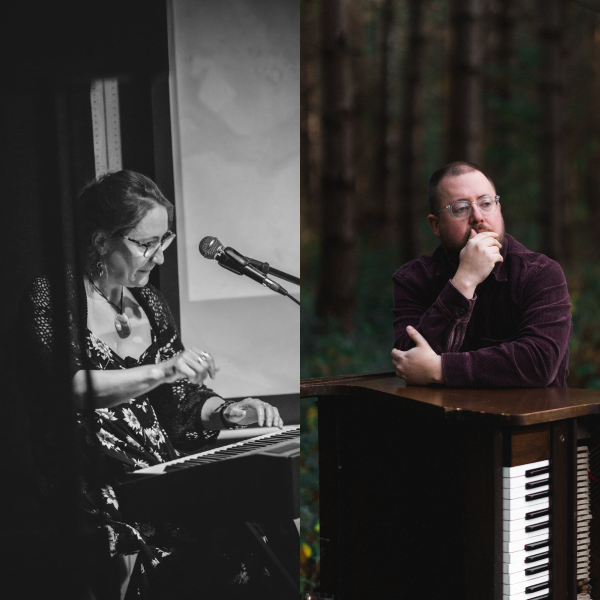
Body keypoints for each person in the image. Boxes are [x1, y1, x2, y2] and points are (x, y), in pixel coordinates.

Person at [19, 170, 284, 598]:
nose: (159, 258)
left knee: (251, 524)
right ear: (101, 241)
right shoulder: (52, 296)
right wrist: (163, 370)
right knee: (137, 544)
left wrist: (224, 411)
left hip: (155, 480)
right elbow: (71, 388)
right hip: (91, 486)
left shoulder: (150, 304)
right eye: (146, 244)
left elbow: (176, 403)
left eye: (165, 241)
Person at [391, 161, 572, 388]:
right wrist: (464, 281)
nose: (478, 216)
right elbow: (409, 359)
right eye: (461, 208)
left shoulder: (540, 274)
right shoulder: (413, 279)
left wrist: (441, 369)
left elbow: (539, 363)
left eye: (486, 203)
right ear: (435, 225)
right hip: (443, 422)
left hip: (527, 422)